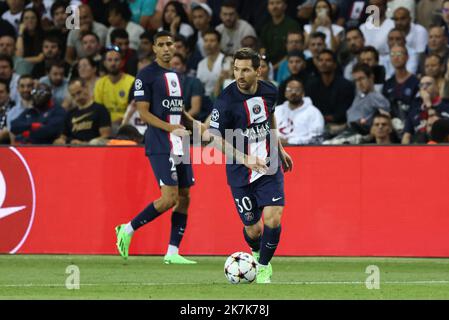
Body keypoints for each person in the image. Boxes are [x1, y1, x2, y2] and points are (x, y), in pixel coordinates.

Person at [206, 48, 293, 283]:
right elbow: (213, 138)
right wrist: (244, 159)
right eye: (236, 69)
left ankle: (263, 267)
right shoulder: (225, 101)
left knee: (273, 217)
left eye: (245, 70)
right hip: (240, 172)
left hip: (268, 164)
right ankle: (256, 253)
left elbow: (269, 117)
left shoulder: (270, 91)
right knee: (253, 229)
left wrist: (279, 148)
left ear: (258, 70)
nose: (240, 75)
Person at [115, 31, 197, 265]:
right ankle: (127, 229)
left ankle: (172, 252)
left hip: (179, 140)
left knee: (184, 196)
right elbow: (143, 112)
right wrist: (172, 130)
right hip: (160, 141)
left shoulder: (176, 76)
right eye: (161, 45)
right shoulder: (145, 75)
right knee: (169, 198)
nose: (166, 48)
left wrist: (194, 124)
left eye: (170, 44)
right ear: (154, 48)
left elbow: (177, 110)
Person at [54, 78, 111, 145]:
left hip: (93, 148)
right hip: (72, 149)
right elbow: (63, 136)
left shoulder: (100, 109)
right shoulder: (70, 114)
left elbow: (105, 136)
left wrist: (84, 144)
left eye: (79, 92)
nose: (77, 98)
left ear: (86, 88)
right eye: (73, 95)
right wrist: (60, 141)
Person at [94, 46, 135, 128]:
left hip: (128, 124)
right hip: (106, 125)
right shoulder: (100, 83)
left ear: (122, 62)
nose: (113, 63)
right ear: (104, 63)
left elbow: (134, 108)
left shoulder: (132, 81)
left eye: (116, 60)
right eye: (109, 60)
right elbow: (97, 109)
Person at [275, 78, 324, 145]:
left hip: (303, 152)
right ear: (285, 93)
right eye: (289, 89)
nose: (293, 92)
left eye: (297, 90)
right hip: (276, 150)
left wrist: (289, 142)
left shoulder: (314, 112)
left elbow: (316, 138)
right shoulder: (276, 111)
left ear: (303, 93)